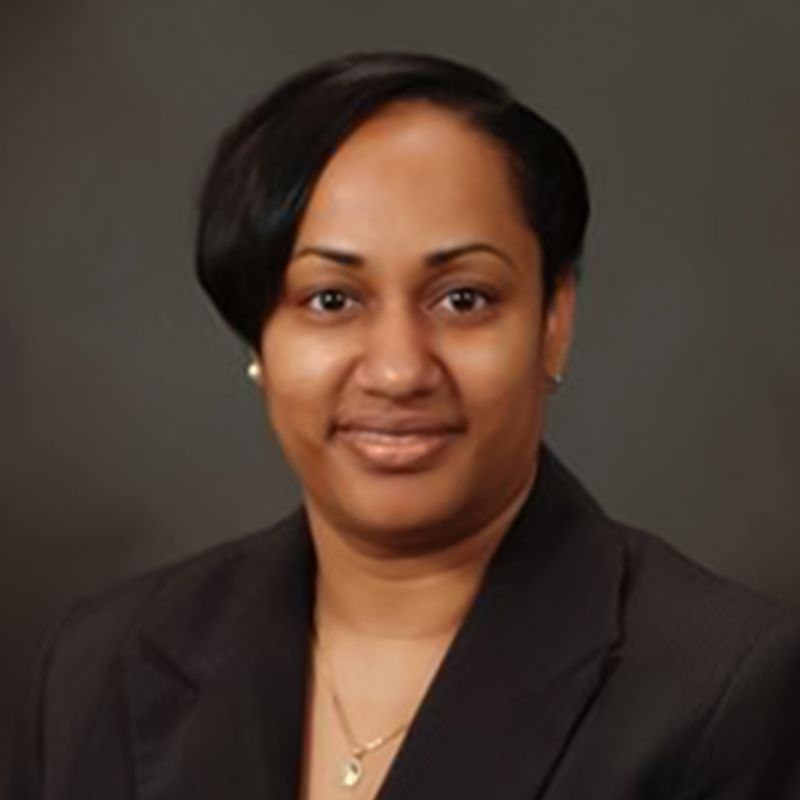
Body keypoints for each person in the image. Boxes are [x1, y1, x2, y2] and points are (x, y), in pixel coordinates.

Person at [11, 52, 800, 800]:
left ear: (554, 321)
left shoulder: (729, 688)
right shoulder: (103, 665)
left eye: (464, 298)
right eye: (330, 300)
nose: (397, 371)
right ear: (259, 338)